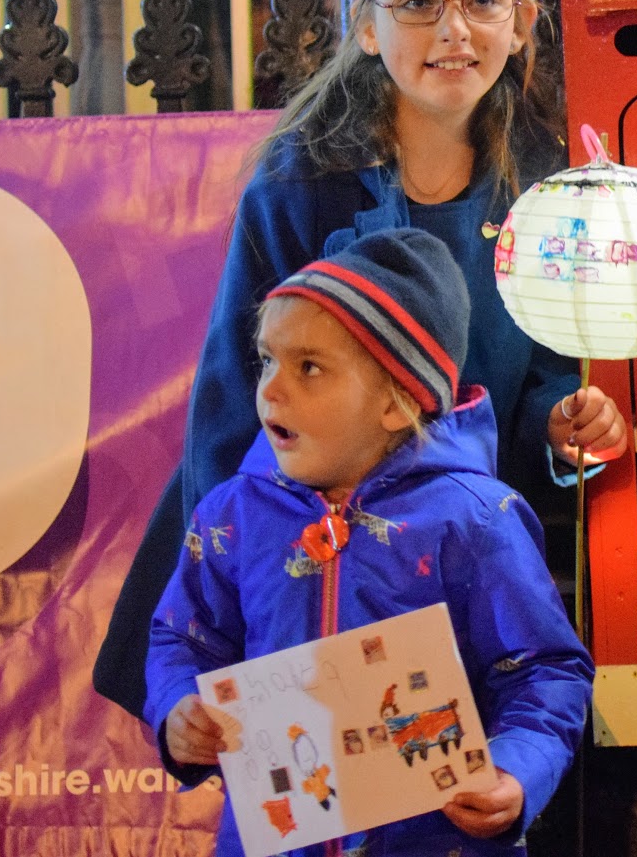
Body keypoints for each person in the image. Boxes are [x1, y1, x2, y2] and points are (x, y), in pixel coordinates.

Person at [97, 0, 628, 720]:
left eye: (482, 1)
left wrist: (563, 422)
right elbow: (235, 401)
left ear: (523, 20)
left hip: (454, 552)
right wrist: (244, 583)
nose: (454, 30)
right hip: (309, 556)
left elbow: (548, 374)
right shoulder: (296, 186)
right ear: (368, 26)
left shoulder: (552, 190)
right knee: (309, 778)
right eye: (417, 3)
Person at [147, 227, 593, 855]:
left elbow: (545, 670)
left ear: (396, 401)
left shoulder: (476, 519)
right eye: (268, 360)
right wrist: (178, 709)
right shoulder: (231, 516)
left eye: (309, 367)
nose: (271, 388)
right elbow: (182, 639)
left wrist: (516, 770)